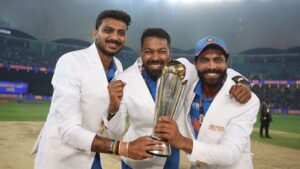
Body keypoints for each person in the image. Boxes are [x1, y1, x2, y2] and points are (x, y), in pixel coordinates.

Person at [32, 10, 163, 169]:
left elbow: (114, 133)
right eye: (108, 30)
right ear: (95, 33)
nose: (115, 37)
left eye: (121, 33)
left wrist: (113, 109)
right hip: (62, 158)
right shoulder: (71, 61)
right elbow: (68, 131)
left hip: (92, 155)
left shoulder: (119, 69)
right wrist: (125, 148)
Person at [102, 29, 252, 169]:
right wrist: (113, 107)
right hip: (136, 161)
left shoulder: (182, 69)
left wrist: (243, 83)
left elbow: (214, 70)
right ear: (141, 52)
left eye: (162, 51)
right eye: (148, 52)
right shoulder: (123, 79)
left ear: (170, 52)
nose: (155, 57)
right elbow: (114, 132)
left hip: (171, 158)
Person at [154, 36, 260, 169]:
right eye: (204, 60)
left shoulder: (246, 100)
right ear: (196, 63)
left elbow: (230, 153)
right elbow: (180, 65)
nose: (211, 66)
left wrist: (182, 142)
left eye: (218, 59)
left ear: (227, 62)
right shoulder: (189, 87)